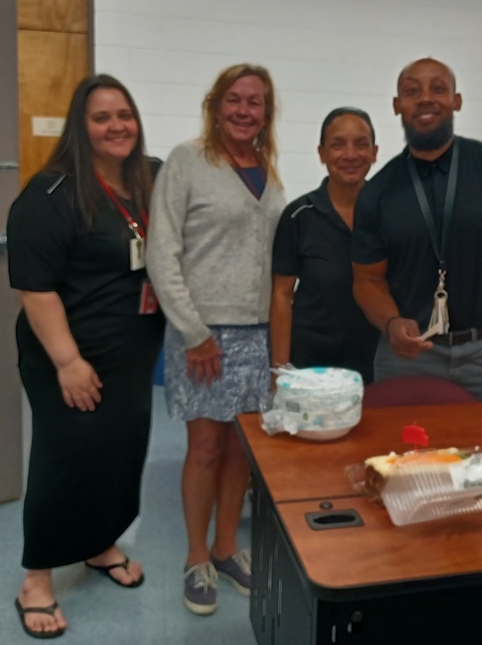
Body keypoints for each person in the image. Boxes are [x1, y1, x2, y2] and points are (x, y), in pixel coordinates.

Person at [6, 75, 165, 639]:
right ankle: (37, 579)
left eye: (125, 114)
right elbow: (36, 289)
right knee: (65, 459)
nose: (117, 126)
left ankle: (99, 545)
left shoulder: (152, 179)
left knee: (118, 453)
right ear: (81, 126)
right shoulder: (51, 193)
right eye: (102, 118)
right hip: (68, 356)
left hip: (132, 353)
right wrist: (68, 362)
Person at [351, 57, 482, 427]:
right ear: (397, 105)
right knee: (399, 456)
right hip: (407, 358)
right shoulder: (377, 192)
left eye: (438, 88)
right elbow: (367, 280)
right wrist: (390, 322)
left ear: (457, 100)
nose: (425, 98)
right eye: (412, 91)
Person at [147, 63, 286, 616]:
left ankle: (228, 548)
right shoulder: (187, 161)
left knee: (241, 450)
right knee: (205, 447)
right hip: (203, 334)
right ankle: (197, 556)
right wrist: (194, 331)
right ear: (215, 106)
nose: (243, 110)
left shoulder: (268, 171)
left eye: (255, 102)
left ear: (266, 113)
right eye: (234, 99)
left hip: (258, 333)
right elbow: (162, 253)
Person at [270, 107, 379, 384]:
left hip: (378, 366)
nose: (350, 155)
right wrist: (280, 371)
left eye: (361, 144)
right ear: (321, 153)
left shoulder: (391, 212)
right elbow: (282, 295)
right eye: (338, 144)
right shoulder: (299, 216)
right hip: (310, 366)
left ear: (374, 152)